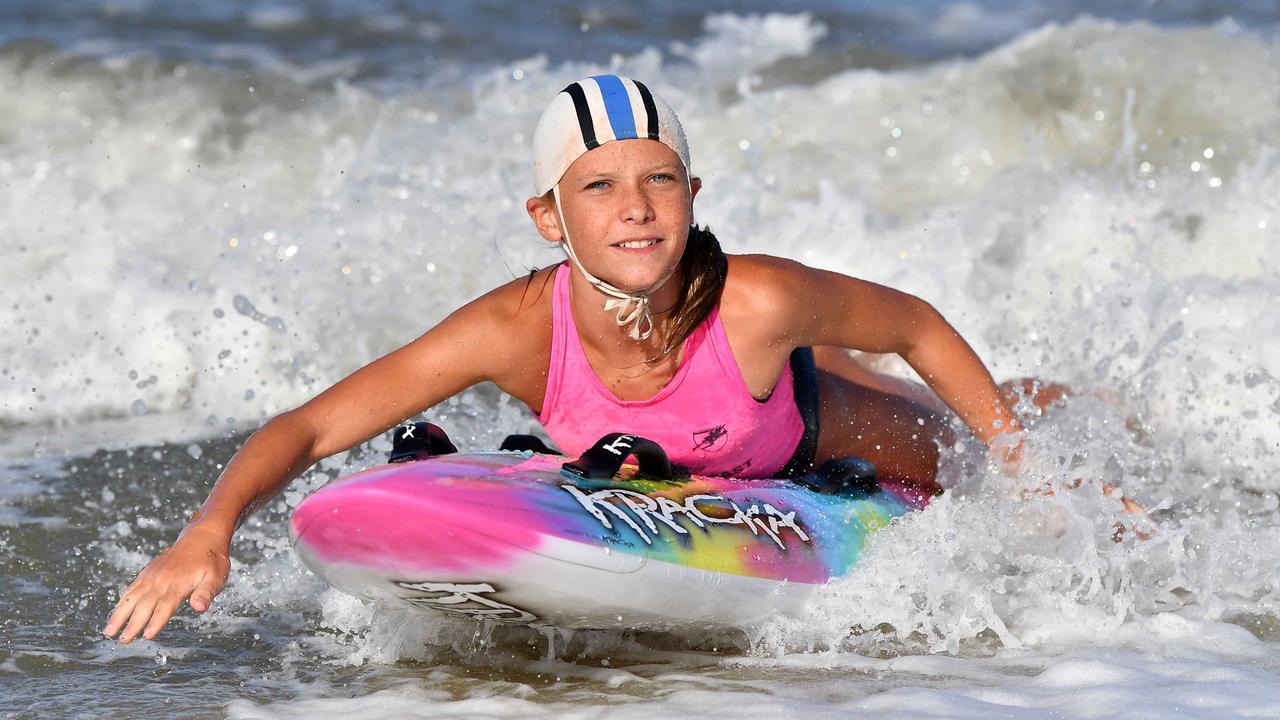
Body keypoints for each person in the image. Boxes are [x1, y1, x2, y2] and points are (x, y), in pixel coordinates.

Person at [104, 75, 1051, 644]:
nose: (634, 208)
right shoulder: (516, 328)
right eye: (598, 187)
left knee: (966, 441)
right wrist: (212, 527)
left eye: (658, 181)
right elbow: (313, 425)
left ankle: (1075, 403)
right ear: (550, 217)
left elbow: (919, 326)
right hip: (679, 469)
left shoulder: (760, 299)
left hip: (803, 431)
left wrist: (1025, 464)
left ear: (692, 193)